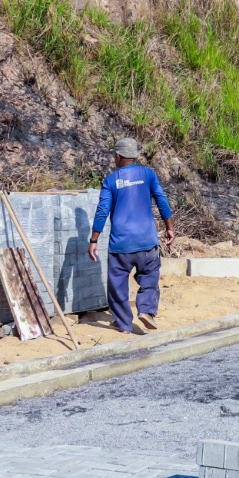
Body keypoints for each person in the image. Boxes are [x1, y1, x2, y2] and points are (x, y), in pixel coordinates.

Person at [88, 137, 175, 333]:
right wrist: (170, 227)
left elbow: (102, 210)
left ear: (118, 156)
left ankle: (123, 323)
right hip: (147, 241)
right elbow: (161, 200)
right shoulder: (148, 174)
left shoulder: (111, 180)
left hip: (121, 245)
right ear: (134, 155)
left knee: (117, 284)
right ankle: (146, 310)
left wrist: (94, 239)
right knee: (150, 277)